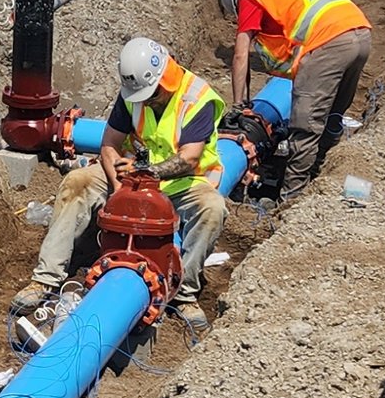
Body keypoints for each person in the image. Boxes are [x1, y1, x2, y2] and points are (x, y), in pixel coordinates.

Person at [15, 36, 230, 320]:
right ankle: (46, 277)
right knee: (77, 182)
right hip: (130, 178)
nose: (143, 102)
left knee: (212, 209)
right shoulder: (134, 91)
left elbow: (190, 157)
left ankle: (184, 292)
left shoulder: (197, 98)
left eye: (149, 95)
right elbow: (109, 143)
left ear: (163, 82)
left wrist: (150, 173)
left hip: (182, 181)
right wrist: (119, 191)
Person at [225, 0, 372, 197]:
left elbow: (241, 54)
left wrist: (238, 105)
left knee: (305, 126)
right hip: (361, 32)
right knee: (333, 113)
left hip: (330, 41)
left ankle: (291, 196)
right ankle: (321, 172)